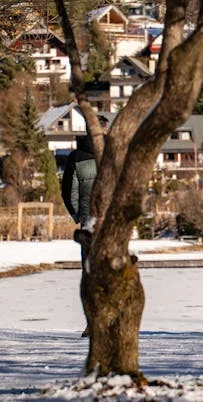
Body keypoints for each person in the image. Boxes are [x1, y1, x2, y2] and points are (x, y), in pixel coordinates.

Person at [61, 115, 108, 338]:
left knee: (89, 272)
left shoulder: (75, 157)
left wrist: (78, 215)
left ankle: (92, 322)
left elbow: (69, 192)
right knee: (111, 270)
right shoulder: (112, 154)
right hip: (110, 222)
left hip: (88, 222)